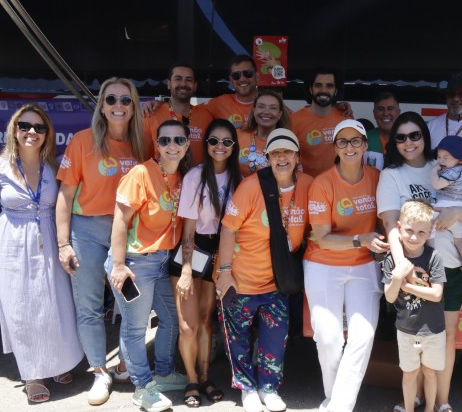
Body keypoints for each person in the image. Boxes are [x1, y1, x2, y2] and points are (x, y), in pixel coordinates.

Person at [377, 112, 462, 412]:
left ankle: (443, 401)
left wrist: (456, 214)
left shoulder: (444, 165)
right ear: (394, 142)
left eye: (415, 135)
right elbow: (391, 225)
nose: (409, 142)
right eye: (401, 137)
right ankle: (416, 397)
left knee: (445, 337)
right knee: (415, 335)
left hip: (448, 265)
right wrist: (402, 268)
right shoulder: (391, 174)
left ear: (425, 137)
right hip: (414, 267)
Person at [56, 77, 149, 405]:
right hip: (87, 231)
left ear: (134, 105)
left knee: (130, 303)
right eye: (111, 99)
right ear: (102, 105)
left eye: (126, 100)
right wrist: (63, 243)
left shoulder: (144, 143)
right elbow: (65, 195)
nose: (119, 106)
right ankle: (99, 371)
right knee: (90, 306)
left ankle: (125, 363)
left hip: (129, 233)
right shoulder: (83, 141)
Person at [0, 104, 82, 403]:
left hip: (48, 238)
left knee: (53, 303)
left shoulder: (54, 167)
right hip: (9, 243)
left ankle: (57, 363)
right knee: (22, 309)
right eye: (25, 126)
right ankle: (32, 375)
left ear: (48, 134)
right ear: (14, 129)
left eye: (40, 128)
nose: (32, 132)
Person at [215, 128, 313, 412]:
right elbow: (228, 228)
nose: (282, 158)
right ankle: (247, 389)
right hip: (240, 279)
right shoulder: (251, 186)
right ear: (267, 157)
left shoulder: (308, 184)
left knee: (275, 338)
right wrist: (224, 271)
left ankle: (268, 389)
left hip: (276, 282)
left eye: (288, 152)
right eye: (276, 153)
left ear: (297, 155)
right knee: (238, 339)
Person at [304, 119, 390, 412]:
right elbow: (323, 238)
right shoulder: (322, 183)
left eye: (356, 141)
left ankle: (338, 405)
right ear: (335, 148)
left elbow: (387, 222)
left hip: (363, 266)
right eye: (343, 141)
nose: (350, 146)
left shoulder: (378, 177)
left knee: (363, 335)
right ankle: (336, 399)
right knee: (328, 337)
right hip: (323, 264)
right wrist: (359, 239)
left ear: (366, 145)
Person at [107, 120, 191, 412]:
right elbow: (120, 221)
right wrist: (118, 265)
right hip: (134, 262)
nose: (172, 145)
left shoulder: (182, 176)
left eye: (178, 140)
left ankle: (164, 373)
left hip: (162, 261)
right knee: (135, 328)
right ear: (157, 144)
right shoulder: (140, 173)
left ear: (187, 144)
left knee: (169, 319)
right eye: (165, 140)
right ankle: (143, 387)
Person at [172, 119, 242, 407]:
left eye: (227, 142)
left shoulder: (239, 179)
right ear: (206, 144)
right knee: (187, 325)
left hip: (219, 254)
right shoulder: (195, 177)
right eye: (214, 141)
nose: (220, 147)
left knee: (205, 321)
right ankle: (190, 380)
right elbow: (187, 228)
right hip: (192, 251)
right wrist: (187, 269)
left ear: (234, 146)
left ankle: (204, 377)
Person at [382, 199, 446, 412]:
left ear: (429, 232)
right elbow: (390, 297)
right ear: (399, 228)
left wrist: (407, 286)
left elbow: (436, 294)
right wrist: (397, 278)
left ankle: (430, 408)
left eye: (421, 232)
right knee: (409, 373)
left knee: (430, 372)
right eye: (409, 230)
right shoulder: (392, 260)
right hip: (407, 331)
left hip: (433, 330)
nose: (414, 237)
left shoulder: (434, 257)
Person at [146, 64, 212, 165]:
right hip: (163, 178)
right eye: (178, 79)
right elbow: (143, 156)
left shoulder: (206, 116)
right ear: (169, 84)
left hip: (197, 179)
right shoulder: (151, 115)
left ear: (195, 86)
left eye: (189, 80)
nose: (183, 84)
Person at [291, 68, 349, 177]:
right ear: (311, 89)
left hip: (338, 188)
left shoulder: (345, 118)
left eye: (329, 86)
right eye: (318, 85)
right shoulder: (294, 121)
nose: (324, 90)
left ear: (336, 91)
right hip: (308, 188)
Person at [430, 135, 462, 272]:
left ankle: (429, 255)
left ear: (460, 160)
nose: (440, 160)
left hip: (447, 207)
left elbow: (436, 185)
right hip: (459, 214)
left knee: (427, 224)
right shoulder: (459, 169)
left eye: (446, 157)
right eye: (439, 156)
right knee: (459, 241)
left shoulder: (453, 172)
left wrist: (433, 171)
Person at [237, 90, 292, 177]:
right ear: (254, 110)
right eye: (261, 107)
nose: (266, 112)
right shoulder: (237, 136)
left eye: (273, 108)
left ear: (280, 114)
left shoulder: (289, 144)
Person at [204, 54, 259, 129]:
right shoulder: (219, 103)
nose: (242, 79)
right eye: (236, 75)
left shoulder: (270, 104)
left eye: (247, 73)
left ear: (257, 76)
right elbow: (190, 111)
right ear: (231, 80)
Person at [365, 91, 401, 170]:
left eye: (390, 109)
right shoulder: (363, 140)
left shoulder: (407, 140)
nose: (385, 113)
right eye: (380, 109)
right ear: (374, 113)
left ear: (398, 112)